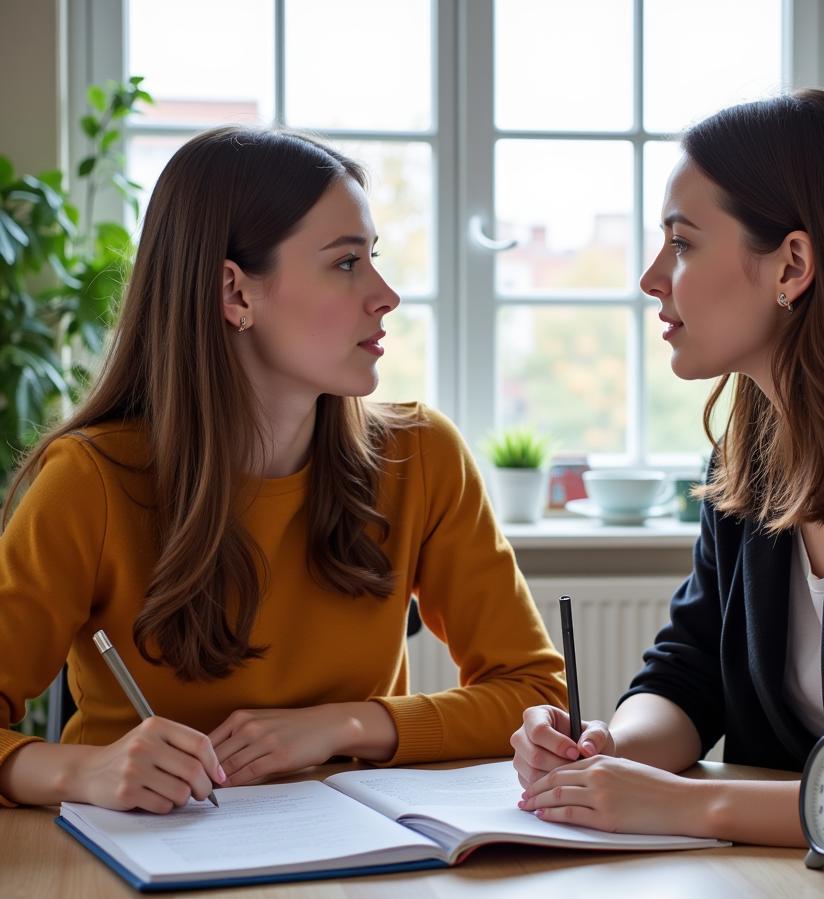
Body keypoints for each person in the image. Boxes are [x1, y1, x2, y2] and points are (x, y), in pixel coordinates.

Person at [512, 89, 824, 856]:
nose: (653, 278)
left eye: (682, 244)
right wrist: (607, 746)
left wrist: (696, 806)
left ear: (792, 263)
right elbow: (688, 673)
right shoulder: (744, 455)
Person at [0, 126, 565, 813]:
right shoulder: (89, 481)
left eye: (373, 259)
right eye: (346, 263)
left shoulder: (422, 457)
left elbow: (534, 694)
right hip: (144, 865)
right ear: (235, 293)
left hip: (366, 865)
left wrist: (348, 723)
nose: (385, 294)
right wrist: (77, 772)